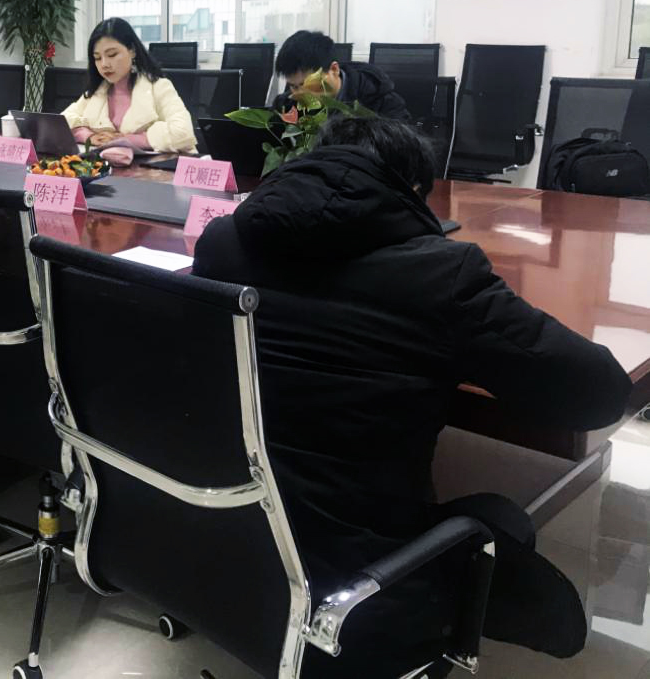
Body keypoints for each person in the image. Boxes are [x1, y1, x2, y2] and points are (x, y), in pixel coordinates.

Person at [191, 116, 631, 678]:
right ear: (411, 191)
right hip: (355, 593)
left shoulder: (221, 242)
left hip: (220, 540)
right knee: (501, 517)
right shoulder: (441, 273)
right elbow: (597, 394)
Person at [61, 17, 196, 166]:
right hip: (107, 171)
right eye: (97, 58)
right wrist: (88, 136)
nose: (104, 64)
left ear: (132, 51)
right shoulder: (98, 91)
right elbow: (62, 122)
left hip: (154, 172)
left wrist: (129, 139)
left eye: (112, 55)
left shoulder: (158, 86)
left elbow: (183, 133)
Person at [273, 30, 411, 121]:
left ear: (334, 70)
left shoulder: (379, 101)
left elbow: (404, 145)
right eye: (294, 86)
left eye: (307, 84)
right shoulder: (287, 106)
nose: (300, 94)